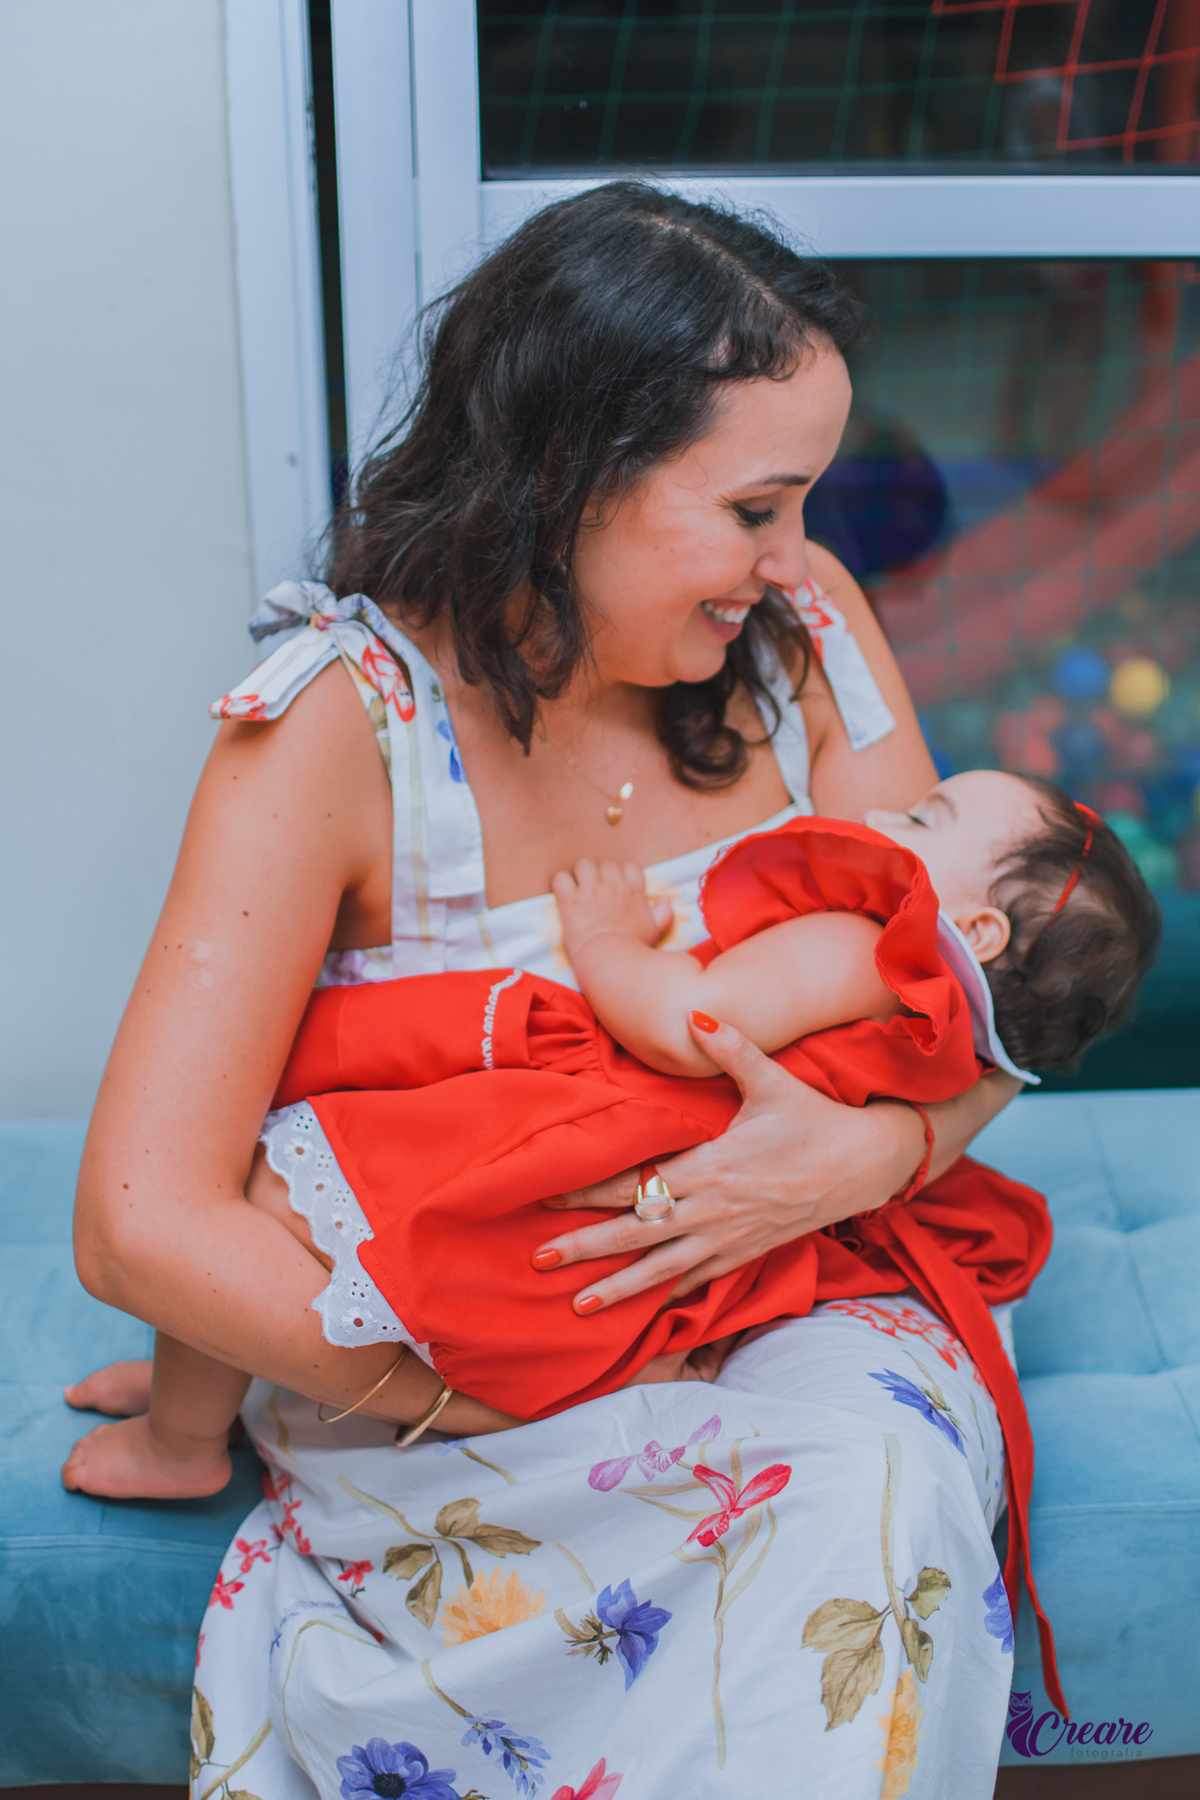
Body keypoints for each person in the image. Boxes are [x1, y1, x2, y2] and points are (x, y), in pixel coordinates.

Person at [66, 183, 1077, 1796]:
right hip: (464, 1344)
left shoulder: (807, 635)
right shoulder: (336, 729)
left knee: (860, 1484)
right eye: (756, 508)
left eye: (805, 503)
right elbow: (140, 1216)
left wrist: (878, 1153)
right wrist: (464, 1384)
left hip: (788, 1289)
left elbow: (960, 988)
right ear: (568, 477)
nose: (798, 558)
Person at [64, 775, 1155, 1477]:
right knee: (328, 1245)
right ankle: (200, 1390)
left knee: (272, 1192)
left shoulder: (865, 947)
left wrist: (606, 941)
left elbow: (693, 1027)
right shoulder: (950, 1044)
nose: (885, 817)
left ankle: (181, 1440)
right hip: (662, 1204)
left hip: (596, 1139)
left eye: (923, 822)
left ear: (966, 922)